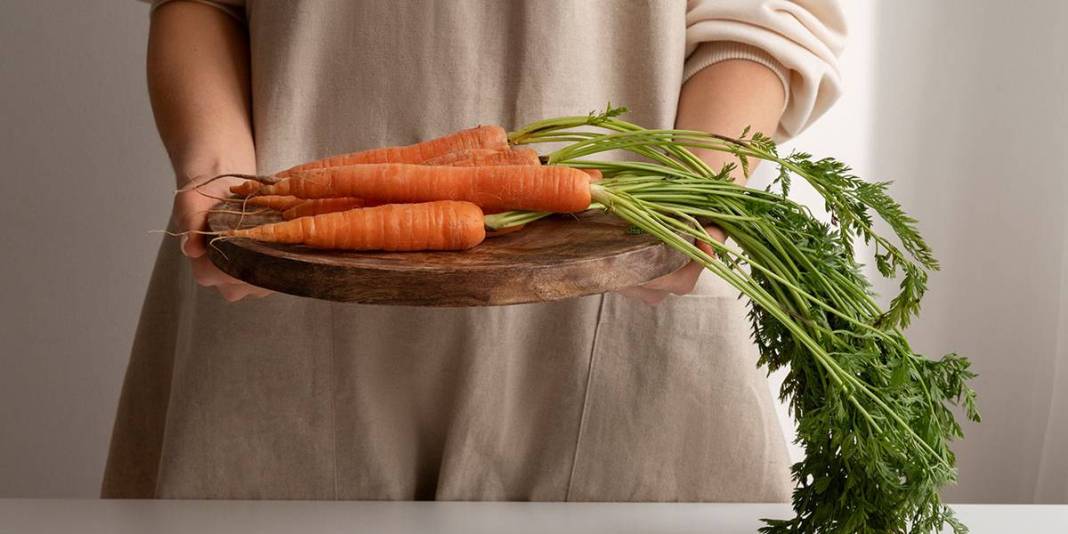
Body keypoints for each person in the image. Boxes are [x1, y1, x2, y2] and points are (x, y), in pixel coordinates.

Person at [104, 0, 845, 500]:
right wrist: (217, 178)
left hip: (616, 300)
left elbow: (764, 15)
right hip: (277, 294)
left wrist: (700, 185)